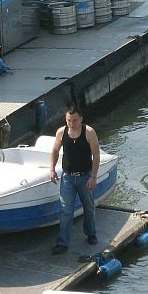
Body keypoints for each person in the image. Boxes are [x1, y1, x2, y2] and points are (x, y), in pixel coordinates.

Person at [48, 106, 100, 255]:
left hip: (85, 176)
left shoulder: (89, 132)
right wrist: (51, 168)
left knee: (89, 207)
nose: (72, 123)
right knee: (66, 210)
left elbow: (96, 155)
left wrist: (93, 176)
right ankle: (62, 242)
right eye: (69, 120)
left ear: (81, 118)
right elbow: (55, 150)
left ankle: (91, 233)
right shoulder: (61, 132)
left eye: (75, 120)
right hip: (68, 178)